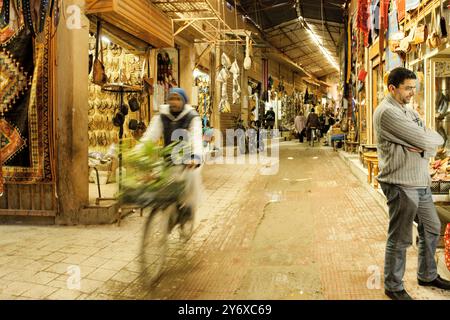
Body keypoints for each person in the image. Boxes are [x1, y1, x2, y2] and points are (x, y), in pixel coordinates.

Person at [373, 67, 450, 300]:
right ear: (392, 88)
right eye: (407, 88)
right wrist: (422, 142)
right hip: (400, 182)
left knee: (432, 227)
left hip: (421, 181)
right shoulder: (387, 112)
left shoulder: (408, 112)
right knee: (401, 236)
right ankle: (393, 285)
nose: (412, 92)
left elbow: (435, 137)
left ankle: (427, 274)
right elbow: (423, 138)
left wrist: (423, 144)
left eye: (414, 88)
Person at [140, 88, 203, 236]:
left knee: (189, 185)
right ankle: (167, 214)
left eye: (177, 99)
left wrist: (195, 156)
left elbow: (196, 138)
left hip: (188, 162)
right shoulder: (162, 117)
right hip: (168, 160)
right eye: (171, 99)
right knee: (161, 188)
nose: (174, 102)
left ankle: (187, 212)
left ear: (183, 101)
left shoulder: (192, 117)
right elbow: (150, 137)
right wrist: (139, 151)